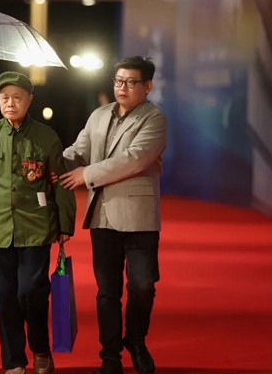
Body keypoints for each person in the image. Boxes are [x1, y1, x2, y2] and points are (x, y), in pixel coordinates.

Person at [0, 71, 76, 374]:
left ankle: (40, 348)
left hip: (35, 227)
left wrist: (65, 224)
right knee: (4, 298)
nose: (10, 103)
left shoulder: (46, 136)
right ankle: (14, 361)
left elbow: (61, 181)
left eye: (17, 98)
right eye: (4, 98)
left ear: (29, 100)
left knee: (31, 293)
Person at [59, 56, 167, 374]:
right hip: (102, 214)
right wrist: (46, 164)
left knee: (142, 286)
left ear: (147, 86)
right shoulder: (98, 115)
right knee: (107, 291)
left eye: (131, 82)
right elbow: (77, 151)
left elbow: (135, 159)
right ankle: (110, 356)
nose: (123, 87)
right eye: (119, 81)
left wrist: (86, 174)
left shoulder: (155, 118)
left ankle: (136, 340)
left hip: (139, 216)